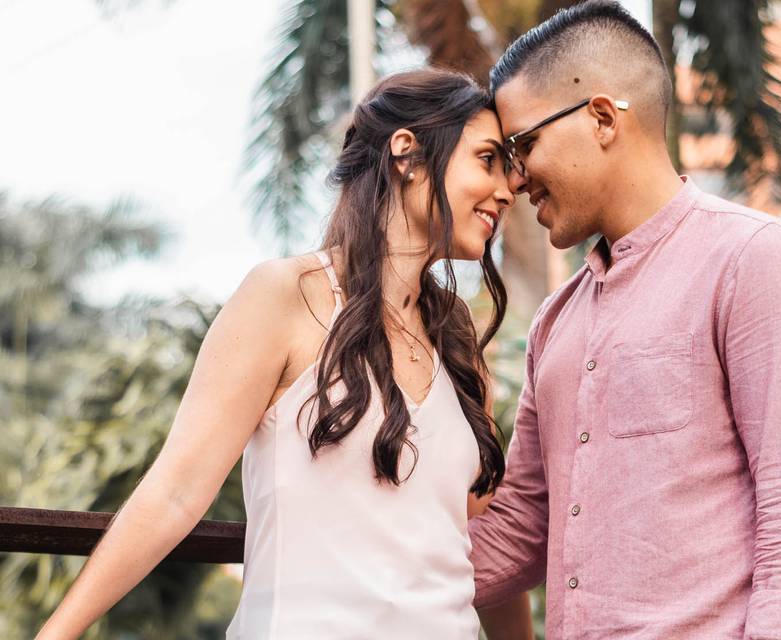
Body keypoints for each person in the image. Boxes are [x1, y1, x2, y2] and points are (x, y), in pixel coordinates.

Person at [37, 68, 516, 639]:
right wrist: (55, 635)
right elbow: (176, 493)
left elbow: (472, 544)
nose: (507, 190)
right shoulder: (285, 296)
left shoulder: (459, 338)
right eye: (487, 160)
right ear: (406, 154)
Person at [470, 2, 781, 639]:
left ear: (600, 118)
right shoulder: (554, 322)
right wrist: (371, 573)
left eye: (523, 145)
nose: (515, 178)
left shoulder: (756, 263)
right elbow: (522, 528)